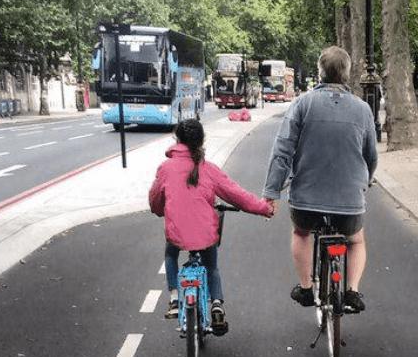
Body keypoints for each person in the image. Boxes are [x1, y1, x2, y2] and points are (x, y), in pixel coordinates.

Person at [263, 46, 377, 314]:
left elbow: (282, 151)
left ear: (320, 72)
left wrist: (272, 191)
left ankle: (305, 288)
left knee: (301, 232)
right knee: (355, 240)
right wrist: (366, 181)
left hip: (307, 199)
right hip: (349, 200)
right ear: (347, 74)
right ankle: (352, 291)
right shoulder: (362, 109)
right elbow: (371, 155)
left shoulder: (302, 104)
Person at [149, 119, 274, 333]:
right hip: (206, 234)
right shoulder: (209, 169)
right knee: (211, 266)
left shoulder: (166, 168)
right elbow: (237, 195)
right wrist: (264, 208)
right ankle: (217, 303)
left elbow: (155, 201)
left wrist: (162, 211)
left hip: (176, 234)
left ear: (177, 139)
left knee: (170, 255)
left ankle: (175, 297)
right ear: (201, 141)